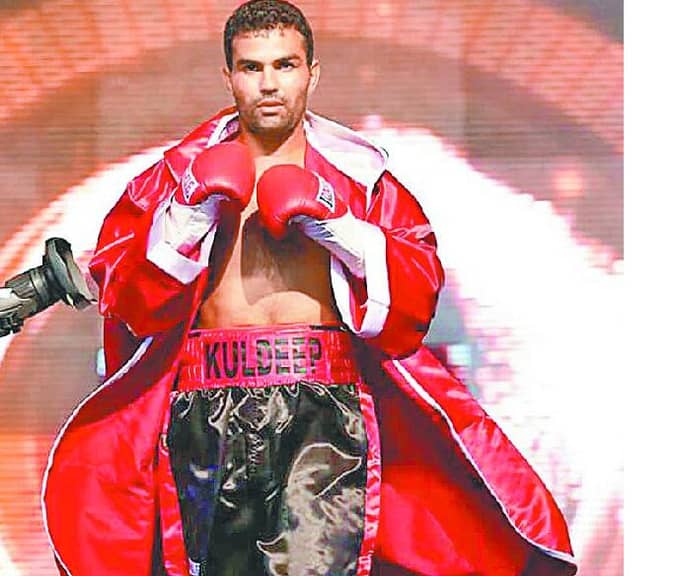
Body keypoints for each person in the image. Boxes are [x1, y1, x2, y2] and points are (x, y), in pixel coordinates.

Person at [43, 1, 577, 575]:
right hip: (205, 409)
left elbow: (418, 293)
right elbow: (125, 297)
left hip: (322, 413)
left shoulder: (361, 180)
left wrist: (345, 232)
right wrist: (185, 221)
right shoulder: (176, 177)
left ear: (311, 73)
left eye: (285, 65)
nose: (269, 84)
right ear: (228, 76)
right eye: (252, 68)